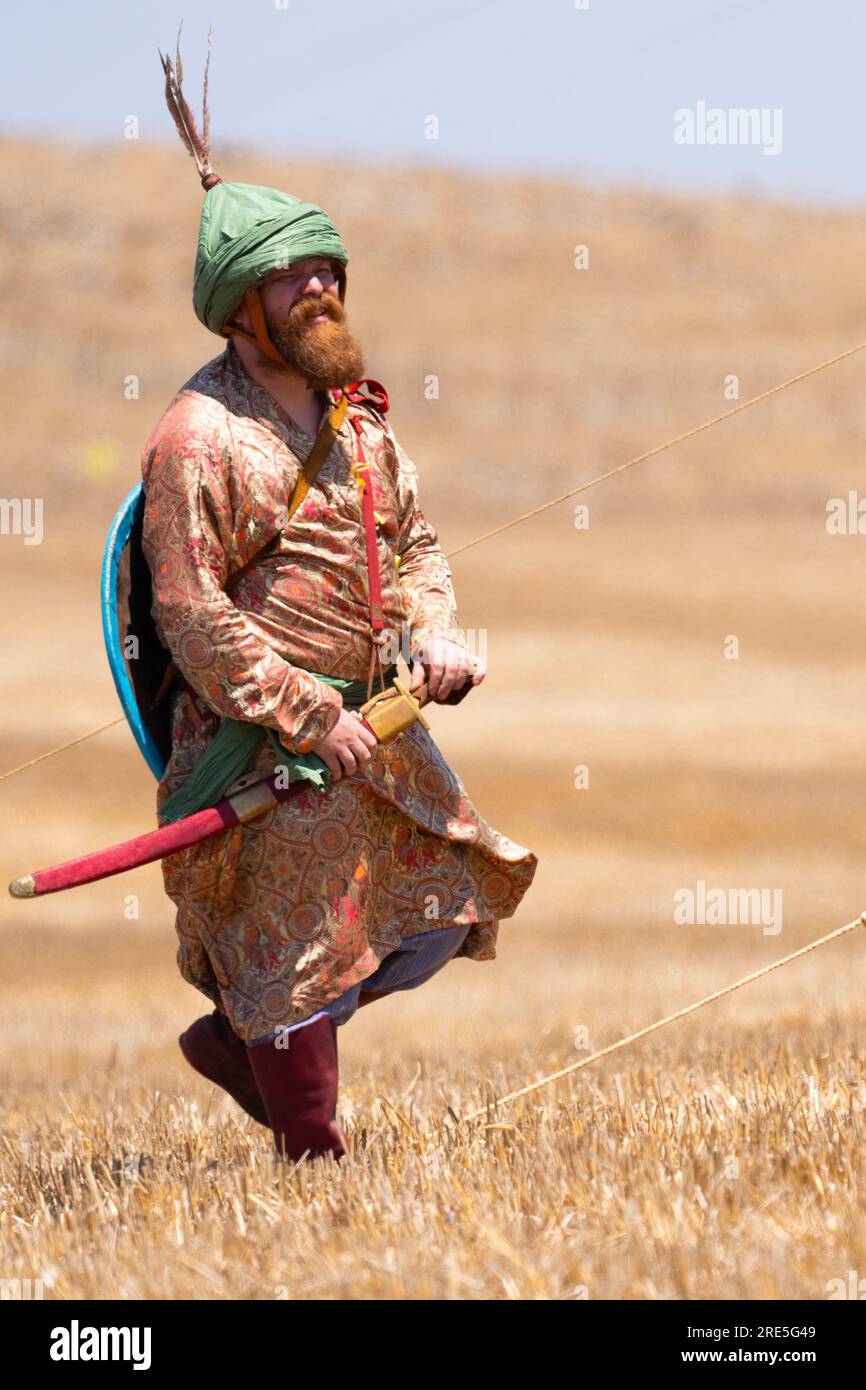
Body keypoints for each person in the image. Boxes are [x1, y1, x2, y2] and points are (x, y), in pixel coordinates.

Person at [142, 44, 538, 1161]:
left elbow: (412, 542)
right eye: (291, 275)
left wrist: (434, 634)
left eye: (326, 268)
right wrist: (314, 718)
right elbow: (190, 614)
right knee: (297, 948)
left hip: (382, 727)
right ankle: (313, 1160)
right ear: (238, 308)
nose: (318, 287)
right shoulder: (196, 441)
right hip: (257, 743)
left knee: (435, 910)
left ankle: (243, 1047)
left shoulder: (355, 421)